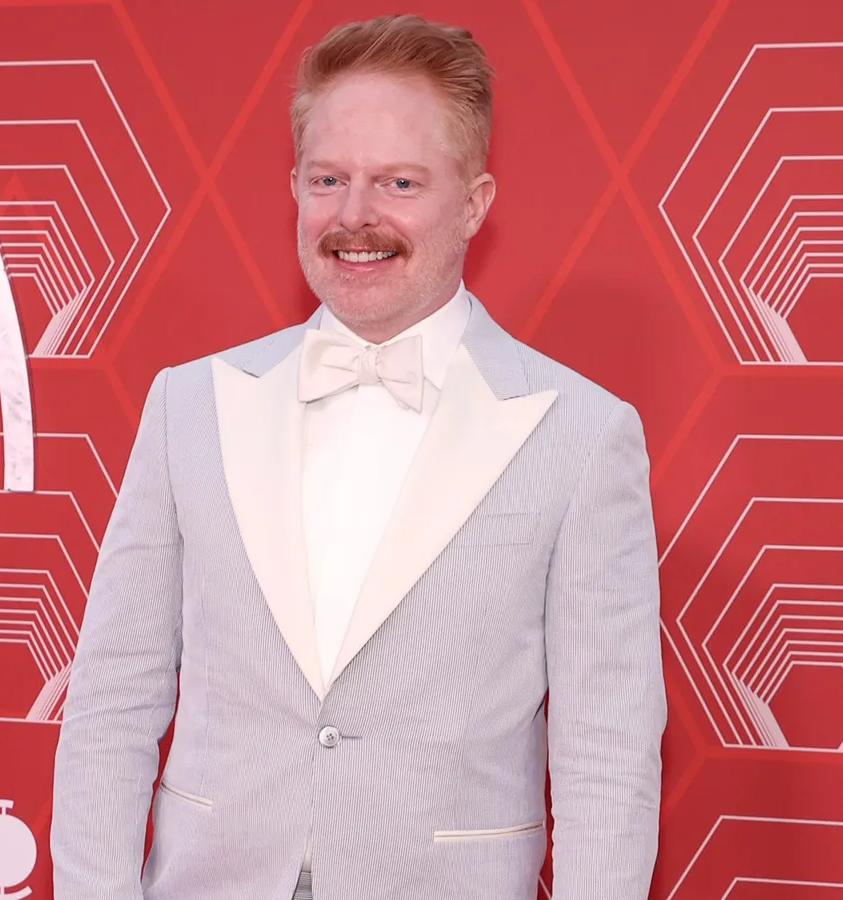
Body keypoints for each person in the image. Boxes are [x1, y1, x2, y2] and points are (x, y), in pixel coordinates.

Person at [50, 13, 667, 900]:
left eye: (399, 182)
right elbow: (113, 697)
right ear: (295, 188)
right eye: (328, 179)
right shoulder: (189, 406)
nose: (353, 216)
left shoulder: (580, 433)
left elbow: (607, 752)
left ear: (474, 204)